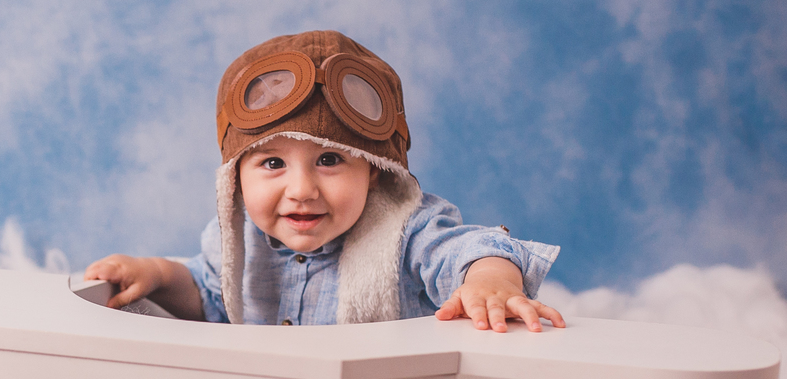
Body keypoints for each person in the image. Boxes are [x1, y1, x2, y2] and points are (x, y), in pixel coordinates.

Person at [85, 30, 564, 333]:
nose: (301, 190)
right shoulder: (237, 240)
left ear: (374, 170)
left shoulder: (404, 233)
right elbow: (213, 297)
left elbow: (468, 250)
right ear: (235, 178)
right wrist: (156, 273)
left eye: (330, 159)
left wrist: (490, 281)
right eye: (273, 164)